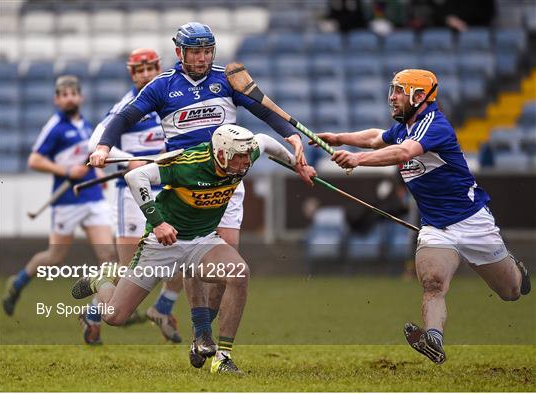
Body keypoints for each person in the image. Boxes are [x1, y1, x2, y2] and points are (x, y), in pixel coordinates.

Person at [88, 22, 313, 363]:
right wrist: (104, 147)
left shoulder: (227, 79)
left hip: (226, 181)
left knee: (224, 270)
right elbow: (123, 118)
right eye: (195, 51)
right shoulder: (162, 86)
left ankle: (206, 339)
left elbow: (265, 113)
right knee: (190, 252)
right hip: (184, 181)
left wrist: (292, 137)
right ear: (179, 51)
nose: (202, 58)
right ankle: (198, 331)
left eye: (208, 51)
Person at [311, 69, 531, 364]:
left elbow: (403, 153)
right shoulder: (405, 126)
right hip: (435, 227)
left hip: (473, 221)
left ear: (418, 96)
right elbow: (377, 138)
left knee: (511, 291)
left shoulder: (434, 126)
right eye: (392, 90)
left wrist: (357, 159)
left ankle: (517, 270)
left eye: (398, 91)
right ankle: (434, 341)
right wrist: (339, 138)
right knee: (432, 283)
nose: (392, 97)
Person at [72, 124, 316, 374]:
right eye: (238, 158)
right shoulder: (187, 164)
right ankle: (100, 283)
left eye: (246, 157)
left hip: (203, 241)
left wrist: (295, 164)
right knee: (114, 316)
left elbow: (264, 140)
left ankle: (222, 358)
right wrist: (158, 223)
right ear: (221, 154)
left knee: (239, 273)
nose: (244, 164)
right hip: (162, 245)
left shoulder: (244, 153)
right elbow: (135, 177)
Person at [2, 76, 117, 324]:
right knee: (54, 257)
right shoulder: (54, 127)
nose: (69, 98)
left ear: (81, 97)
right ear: (57, 99)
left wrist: (97, 173)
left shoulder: (86, 126)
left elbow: (89, 157)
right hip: (67, 202)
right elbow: (34, 160)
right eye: (64, 94)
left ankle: (94, 314)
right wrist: (66, 171)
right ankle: (18, 282)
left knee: (108, 254)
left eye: (73, 93)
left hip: (93, 198)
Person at [87, 48, 183, 345]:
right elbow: (96, 142)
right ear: (132, 74)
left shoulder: (168, 99)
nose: (145, 75)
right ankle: (93, 310)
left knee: (184, 253)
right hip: (130, 194)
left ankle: (162, 308)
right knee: (131, 271)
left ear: (158, 68)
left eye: (150, 69)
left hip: (166, 189)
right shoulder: (127, 105)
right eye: (139, 71)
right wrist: (129, 159)